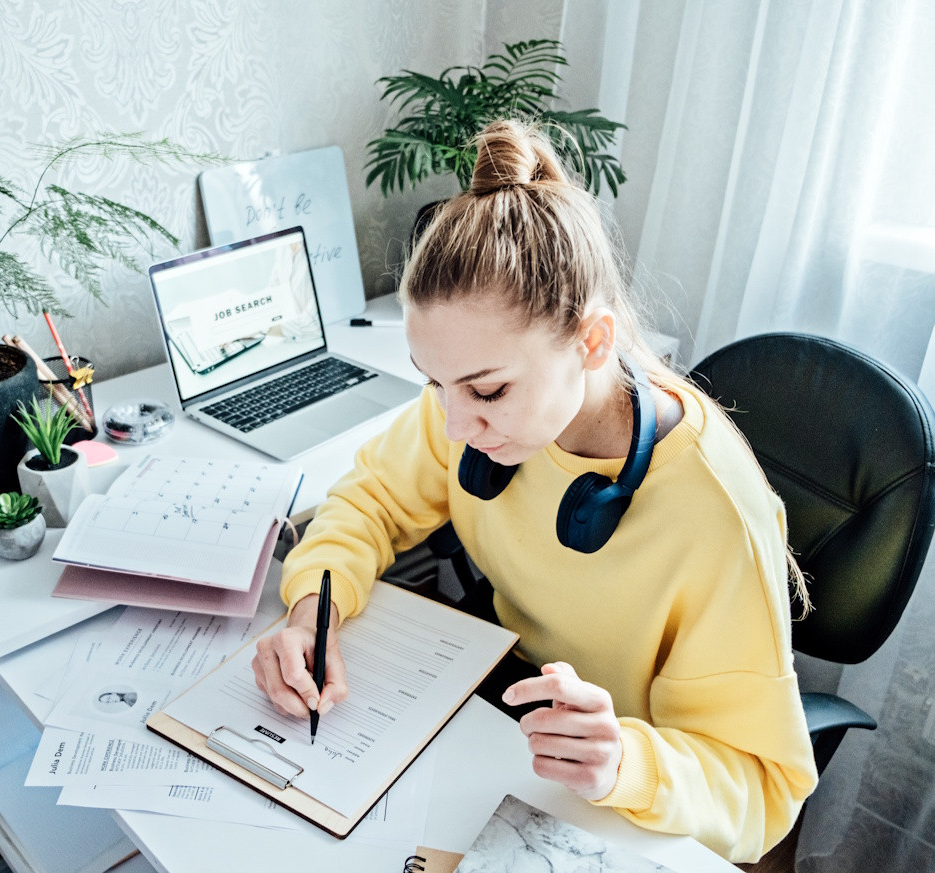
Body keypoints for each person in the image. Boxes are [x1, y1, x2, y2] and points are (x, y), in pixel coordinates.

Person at [250, 120, 817, 863]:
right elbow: (369, 499)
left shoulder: (716, 516)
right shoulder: (469, 401)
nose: (455, 425)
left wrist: (626, 761)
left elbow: (763, 789)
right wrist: (311, 609)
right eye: (435, 384)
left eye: (487, 391)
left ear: (592, 342)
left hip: (621, 797)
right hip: (508, 723)